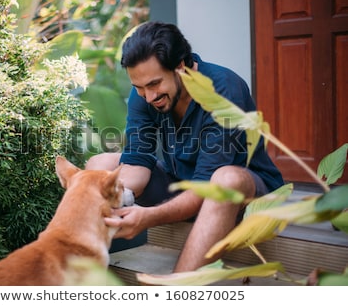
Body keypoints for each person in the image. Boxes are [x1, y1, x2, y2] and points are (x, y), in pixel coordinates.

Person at [85, 21, 284, 272]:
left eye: (154, 84)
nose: (148, 97)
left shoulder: (222, 89)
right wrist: (114, 197)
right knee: (99, 167)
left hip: (242, 199)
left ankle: (178, 289)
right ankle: (82, 270)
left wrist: (149, 217)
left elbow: (205, 188)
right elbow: (137, 160)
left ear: (181, 67)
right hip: (183, 189)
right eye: (139, 87)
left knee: (226, 178)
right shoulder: (145, 94)